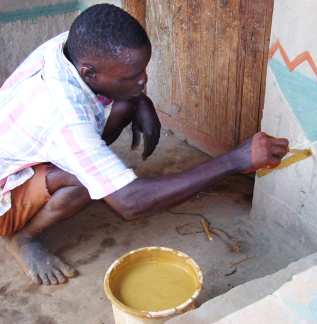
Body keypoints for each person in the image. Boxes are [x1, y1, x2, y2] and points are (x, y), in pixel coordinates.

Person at [0, 4, 288, 286]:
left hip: (27, 153)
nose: (143, 79)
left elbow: (115, 96)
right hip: (6, 188)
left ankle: (73, 176)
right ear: (89, 72)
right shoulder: (65, 118)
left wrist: (139, 99)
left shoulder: (67, 47)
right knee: (88, 182)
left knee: (124, 105)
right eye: (130, 77)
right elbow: (130, 203)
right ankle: (21, 237)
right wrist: (235, 160)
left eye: (143, 70)